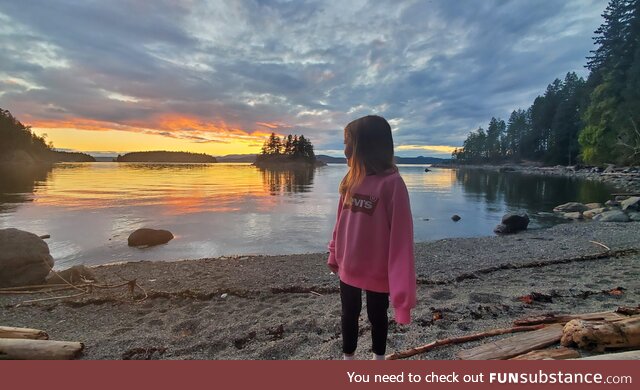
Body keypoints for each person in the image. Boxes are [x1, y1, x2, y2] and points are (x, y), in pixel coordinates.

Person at [327, 115, 416, 360]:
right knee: (348, 314)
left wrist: (402, 296)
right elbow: (340, 221)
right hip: (348, 266)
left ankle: (378, 362)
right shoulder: (350, 180)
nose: (345, 150)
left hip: (378, 271)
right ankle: (349, 361)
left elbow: (401, 242)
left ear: (366, 146)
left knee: (377, 316)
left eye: (349, 143)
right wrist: (334, 252)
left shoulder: (392, 184)